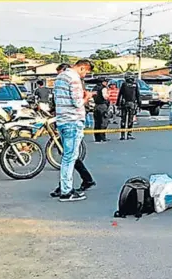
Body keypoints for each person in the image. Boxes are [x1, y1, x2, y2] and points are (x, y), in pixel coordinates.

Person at [49, 59, 94, 202]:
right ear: (82, 68)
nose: (85, 75)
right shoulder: (74, 79)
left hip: (62, 120)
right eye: (86, 72)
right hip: (73, 121)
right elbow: (77, 102)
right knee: (70, 157)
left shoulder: (59, 77)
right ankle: (66, 191)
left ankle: (64, 187)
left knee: (67, 157)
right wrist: (87, 97)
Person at [116, 73, 141, 140]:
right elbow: (138, 95)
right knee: (130, 119)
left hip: (124, 104)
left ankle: (122, 135)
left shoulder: (124, 84)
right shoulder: (135, 85)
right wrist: (139, 105)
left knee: (123, 119)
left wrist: (117, 104)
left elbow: (120, 95)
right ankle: (129, 134)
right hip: (132, 104)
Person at [92, 78, 111, 142]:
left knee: (97, 122)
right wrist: (108, 95)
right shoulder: (104, 88)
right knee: (104, 121)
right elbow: (105, 97)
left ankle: (97, 137)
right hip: (102, 106)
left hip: (96, 106)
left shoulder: (94, 88)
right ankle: (102, 136)